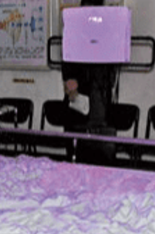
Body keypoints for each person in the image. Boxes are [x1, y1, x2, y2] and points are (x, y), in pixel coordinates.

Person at [60, 0, 118, 165]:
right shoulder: (76, 37)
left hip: (98, 108)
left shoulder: (101, 37)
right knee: (82, 158)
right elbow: (69, 75)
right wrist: (72, 89)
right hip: (85, 108)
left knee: (92, 158)